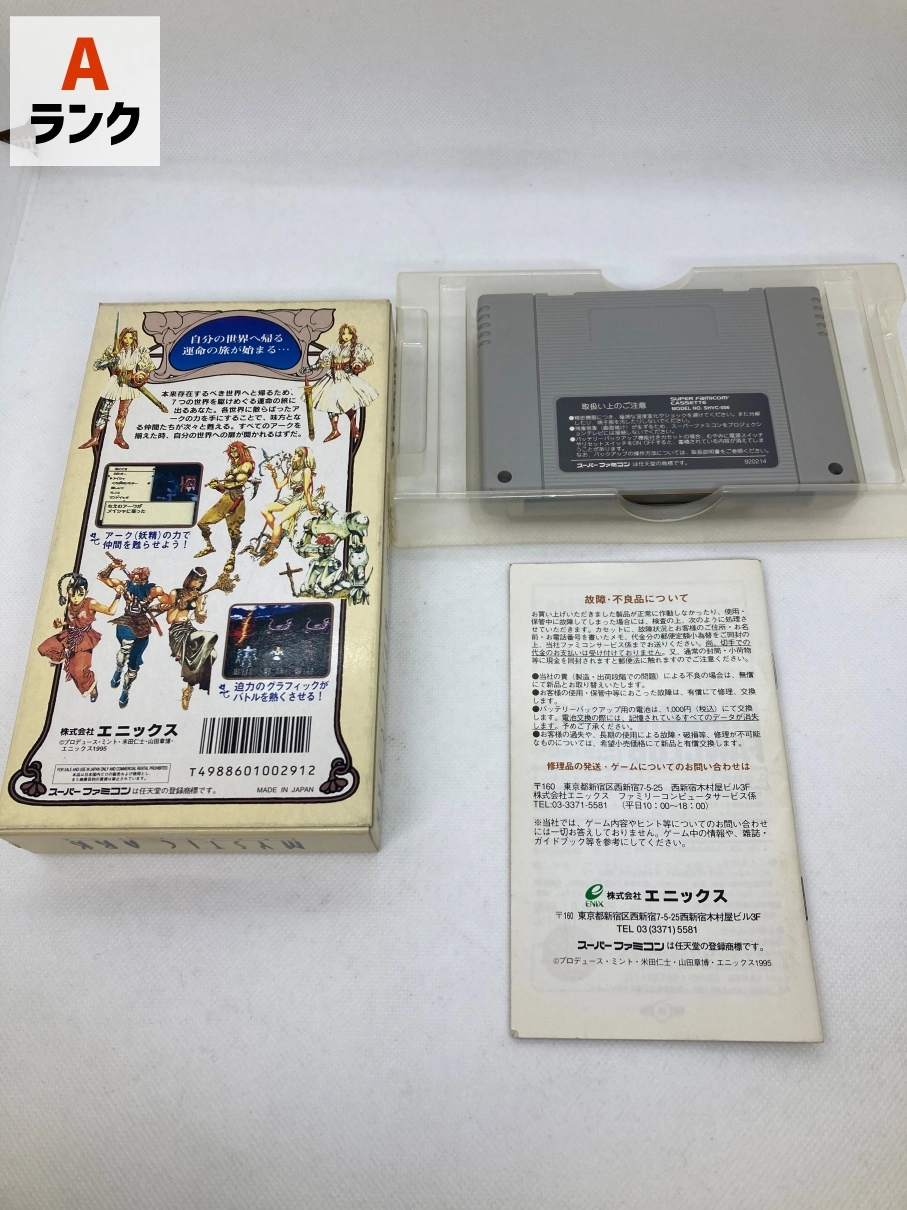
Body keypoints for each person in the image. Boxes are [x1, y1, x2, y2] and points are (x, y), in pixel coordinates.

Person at [37, 572, 119, 701]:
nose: (75, 598)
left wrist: (118, 595)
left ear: (86, 592)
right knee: (44, 648)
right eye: (72, 594)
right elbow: (71, 620)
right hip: (70, 634)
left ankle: (92, 687)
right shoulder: (70, 604)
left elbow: (110, 611)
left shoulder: (90, 602)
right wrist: (61, 623)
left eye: (80, 594)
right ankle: (63, 657)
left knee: (77, 671)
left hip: (84, 639)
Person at [98, 560, 168, 708]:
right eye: (134, 578)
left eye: (139, 579)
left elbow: (168, 601)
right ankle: (118, 668)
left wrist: (162, 605)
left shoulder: (152, 590)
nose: (136, 581)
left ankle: (126, 689)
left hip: (142, 625)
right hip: (127, 620)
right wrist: (112, 566)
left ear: (145, 579)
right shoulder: (125, 585)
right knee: (126, 647)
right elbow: (102, 578)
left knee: (133, 665)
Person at [80, 327, 157, 450]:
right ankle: (95, 438)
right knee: (104, 411)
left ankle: (119, 437)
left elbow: (149, 367)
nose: (128, 340)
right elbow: (97, 365)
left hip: (129, 382)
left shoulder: (139, 351)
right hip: (115, 381)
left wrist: (139, 377)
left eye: (130, 338)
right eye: (125, 338)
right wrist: (112, 360)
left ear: (134, 339)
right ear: (121, 338)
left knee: (123, 412)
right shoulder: (113, 350)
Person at [310, 322, 378, 443]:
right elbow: (323, 362)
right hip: (332, 377)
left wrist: (357, 366)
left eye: (348, 334)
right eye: (343, 334)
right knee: (330, 402)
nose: (346, 336)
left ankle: (353, 427)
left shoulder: (356, 348)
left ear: (353, 335)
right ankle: (335, 430)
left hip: (345, 377)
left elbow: (369, 361)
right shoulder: (334, 347)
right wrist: (312, 368)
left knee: (346, 403)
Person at [194, 441, 255, 572]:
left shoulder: (246, 465)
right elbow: (226, 488)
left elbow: (239, 484)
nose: (233, 453)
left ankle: (232, 556)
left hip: (237, 500)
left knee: (234, 531)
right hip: (226, 498)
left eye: (235, 450)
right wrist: (217, 486)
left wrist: (224, 485)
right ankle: (209, 546)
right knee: (202, 523)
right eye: (231, 450)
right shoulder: (232, 466)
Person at [165, 567, 218, 710]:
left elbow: (199, 619)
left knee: (212, 654)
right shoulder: (175, 593)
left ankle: (189, 688)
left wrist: (201, 615)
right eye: (195, 580)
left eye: (200, 582)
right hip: (177, 631)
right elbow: (169, 619)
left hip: (189, 628)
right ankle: (189, 685)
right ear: (189, 578)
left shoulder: (198, 596)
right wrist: (181, 603)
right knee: (206, 641)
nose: (197, 584)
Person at [258, 446, 319, 565]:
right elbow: (279, 486)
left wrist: (311, 508)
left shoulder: (306, 470)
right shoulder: (293, 471)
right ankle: (278, 535)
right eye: (295, 454)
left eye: (298, 455)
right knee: (264, 509)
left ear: (303, 458)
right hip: (292, 497)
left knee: (277, 522)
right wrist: (274, 472)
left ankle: (271, 550)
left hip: (300, 499)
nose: (294, 456)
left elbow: (306, 490)